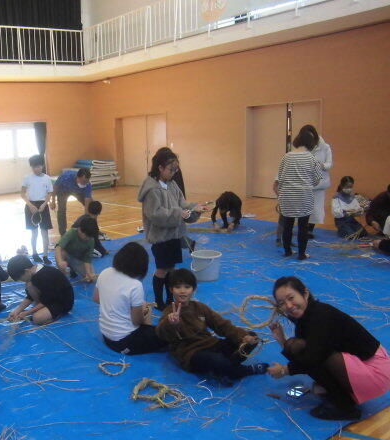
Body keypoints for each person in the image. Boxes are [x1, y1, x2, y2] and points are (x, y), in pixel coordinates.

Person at [268, 276, 390, 420]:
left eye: (291, 298)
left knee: (303, 351)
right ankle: (342, 394)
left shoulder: (320, 316)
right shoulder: (308, 315)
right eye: (282, 303)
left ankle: (345, 406)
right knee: (299, 348)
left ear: (305, 294)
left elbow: (309, 360)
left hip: (376, 373)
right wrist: (282, 340)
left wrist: (284, 370)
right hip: (363, 365)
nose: (288, 306)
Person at [156, 268, 268, 384]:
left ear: (193, 289)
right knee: (217, 360)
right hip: (190, 353)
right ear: (171, 289)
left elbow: (222, 325)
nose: (182, 291)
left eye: (187, 287)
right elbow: (160, 332)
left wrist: (243, 336)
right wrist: (171, 323)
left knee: (252, 337)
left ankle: (225, 369)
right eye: (178, 287)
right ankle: (243, 370)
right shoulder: (169, 312)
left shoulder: (200, 307)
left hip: (211, 344)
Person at [137, 147, 204, 310]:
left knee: (171, 269)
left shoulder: (172, 184)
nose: (173, 173)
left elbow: (182, 204)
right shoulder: (152, 189)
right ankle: (159, 302)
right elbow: (155, 214)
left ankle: (169, 300)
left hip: (174, 235)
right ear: (160, 168)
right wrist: (179, 213)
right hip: (160, 237)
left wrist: (194, 208)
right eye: (171, 169)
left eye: (176, 169)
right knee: (162, 270)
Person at [93, 242, 167, 354]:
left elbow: (96, 298)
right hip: (123, 342)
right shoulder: (135, 285)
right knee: (167, 336)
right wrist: (145, 312)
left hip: (106, 335)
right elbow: (137, 321)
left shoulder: (105, 272)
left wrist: (119, 306)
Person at [276, 126, 322, 260]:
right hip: (304, 196)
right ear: (311, 144)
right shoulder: (312, 158)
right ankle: (301, 254)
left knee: (287, 225)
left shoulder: (286, 157)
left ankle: (287, 251)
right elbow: (317, 180)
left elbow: (280, 177)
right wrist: (307, 185)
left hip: (287, 195)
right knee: (303, 227)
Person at [7, 255, 74, 325]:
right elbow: (30, 297)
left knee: (37, 318)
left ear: (26, 271)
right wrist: (17, 311)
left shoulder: (44, 276)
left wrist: (27, 313)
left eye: (21, 279)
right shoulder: (34, 273)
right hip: (50, 298)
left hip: (62, 302)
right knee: (29, 285)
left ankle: (56, 314)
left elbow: (47, 300)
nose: (22, 281)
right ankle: (43, 310)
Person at [21, 154, 53, 264]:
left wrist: (44, 204)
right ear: (31, 167)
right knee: (34, 232)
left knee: (45, 232)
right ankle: (34, 253)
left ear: (42, 165)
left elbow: (49, 193)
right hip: (31, 206)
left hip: (43, 205)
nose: (36, 169)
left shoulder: (47, 178)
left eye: (38, 166)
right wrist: (30, 205)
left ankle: (45, 255)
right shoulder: (27, 178)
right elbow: (22, 194)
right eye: (34, 167)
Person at [306, 126, 333, 239]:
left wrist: (322, 166)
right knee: (304, 207)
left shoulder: (325, 147)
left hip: (320, 183)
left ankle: (309, 230)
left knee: (316, 208)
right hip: (305, 183)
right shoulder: (303, 147)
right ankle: (302, 228)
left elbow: (330, 164)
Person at [51, 168, 93, 236]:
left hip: (78, 192)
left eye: (87, 182)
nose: (85, 183)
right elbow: (55, 188)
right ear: (77, 177)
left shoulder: (87, 185)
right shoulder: (65, 176)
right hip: (63, 191)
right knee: (61, 210)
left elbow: (87, 202)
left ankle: (92, 229)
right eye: (83, 181)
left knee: (92, 207)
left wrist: (86, 217)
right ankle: (63, 234)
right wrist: (52, 201)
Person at [55, 216, 99, 283]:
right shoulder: (72, 232)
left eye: (90, 237)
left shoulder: (91, 240)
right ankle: (63, 274)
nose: (88, 239)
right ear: (81, 231)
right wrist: (60, 261)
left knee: (91, 279)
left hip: (78, 260)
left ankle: (73, 269)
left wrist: (88, 273)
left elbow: (87, 259)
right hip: (67, 256)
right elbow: (58, 247)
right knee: (61, 254)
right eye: (87, 236)